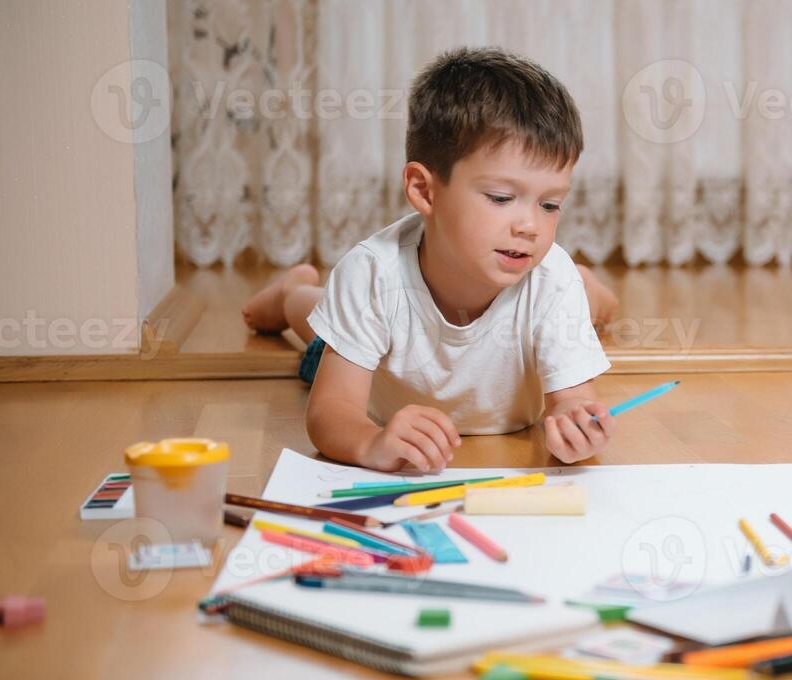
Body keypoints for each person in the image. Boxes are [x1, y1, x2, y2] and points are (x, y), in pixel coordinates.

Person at [241, 47, 621, 471]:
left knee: (576, 293)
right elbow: (330, 410)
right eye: (501, 198)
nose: (530, 226)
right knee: (316, 323)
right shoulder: (371, 274)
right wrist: (371, 442)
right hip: (383, 379)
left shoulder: (551, 279)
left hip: (558, 294)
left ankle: (591, 292)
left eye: (550, 205)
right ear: (424, 190)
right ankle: (291, 290)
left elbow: (575, 401)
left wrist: (578, 429)